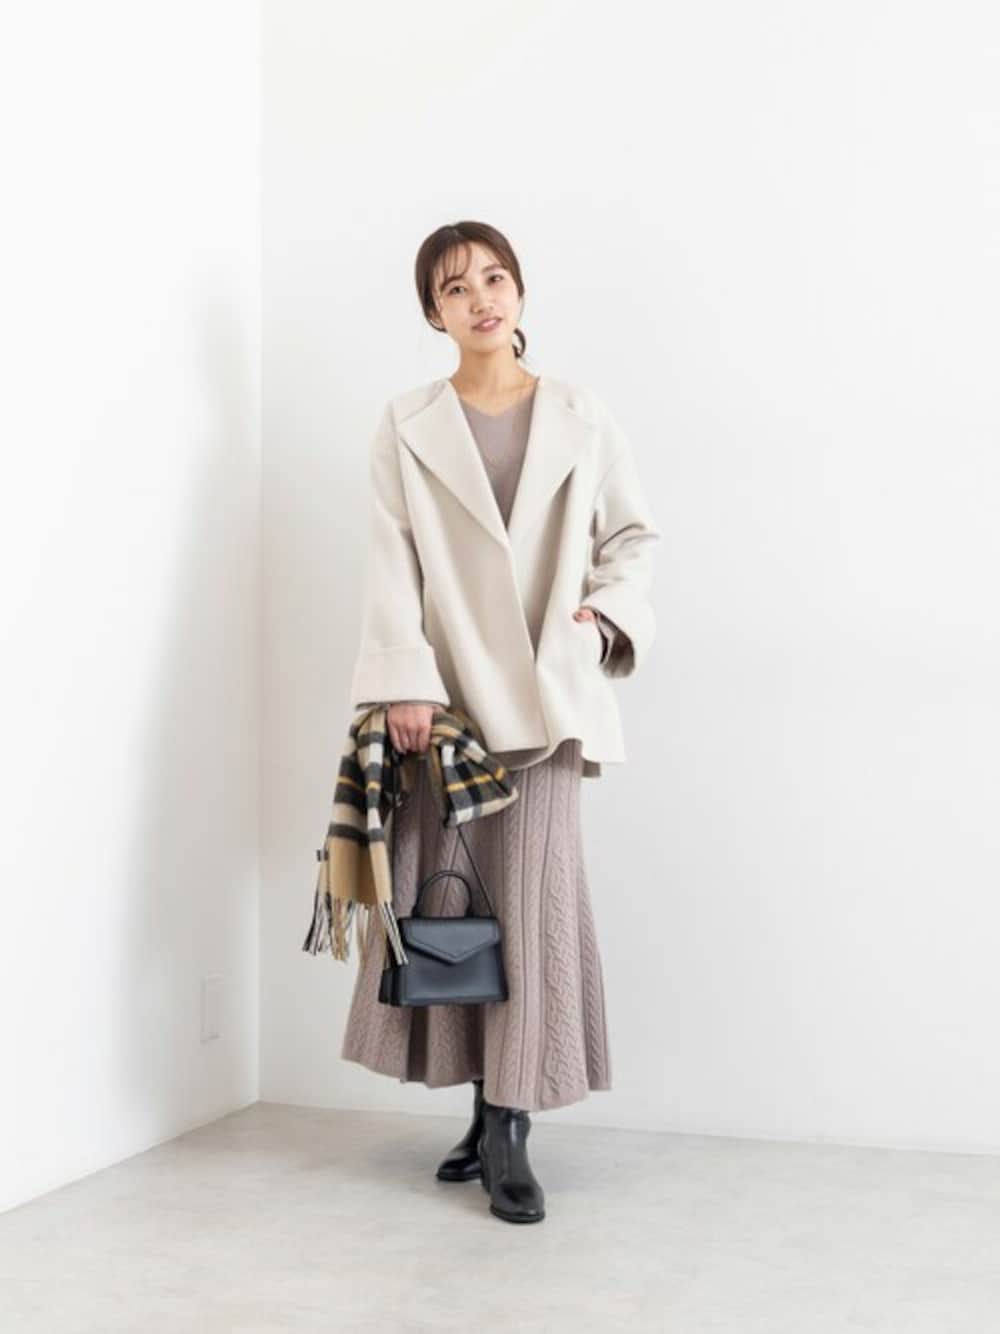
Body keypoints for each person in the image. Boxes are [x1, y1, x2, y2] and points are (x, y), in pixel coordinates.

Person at [339, 220, 660, 1224]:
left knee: (533, 907)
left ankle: (511, 1124)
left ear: (518, 290)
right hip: (448, 703)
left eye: (494, 277)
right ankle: (485, 1114)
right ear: (432, 312)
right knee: (458, 912)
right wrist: (404, 681)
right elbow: (391, 559)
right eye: (454, 287)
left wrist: (602, 619)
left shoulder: (580, 413)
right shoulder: (406, 422)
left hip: (550, 699)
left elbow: (632, 537)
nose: (480, 297)